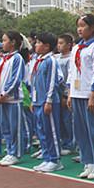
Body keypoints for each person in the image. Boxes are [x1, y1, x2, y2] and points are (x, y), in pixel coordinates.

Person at [67, 14, 94, 180]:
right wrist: (69, 93)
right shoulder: (76, 48)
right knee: (80, 131)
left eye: (83, 25)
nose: (80, 29)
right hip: (76, 93)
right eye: (78, 26)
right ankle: (88, 162)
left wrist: (93, 94)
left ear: (93, 28)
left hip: (89, 94)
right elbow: (71, 71)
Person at [30, 32, 64, 172]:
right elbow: (34, 82)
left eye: (38, 43)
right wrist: (33, 100)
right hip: (38, 101)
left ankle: (55, 159)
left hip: (47, 102)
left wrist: (49, 100)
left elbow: (52, 81)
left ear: (46, 46)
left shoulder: (51, 61)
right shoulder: (39, 60)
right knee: (42, 131)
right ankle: (47, 157)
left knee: (51, 131)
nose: (35, 45)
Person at [0, 31, 28, 165]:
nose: (2, 43)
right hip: (2, 99)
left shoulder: (17, 58)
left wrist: (3, 94)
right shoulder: (3, 59)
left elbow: (15, 80)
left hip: (13, 99)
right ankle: (10, 151)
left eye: (5, 40)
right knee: (6, 127)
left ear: (13, 42)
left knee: (15, 128)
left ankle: (16, 153)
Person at [55, 33, 75, 156]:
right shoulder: (56, 58)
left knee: (68, 121)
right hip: (57, 94)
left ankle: (70, 144)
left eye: (61, 43)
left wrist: (65, 95)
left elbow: (69, 77)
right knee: (60, 120)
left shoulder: (70, 59)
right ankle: (63, 141)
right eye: (58, 43)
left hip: (65, 94)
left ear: (68, 45)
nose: (59, 46)